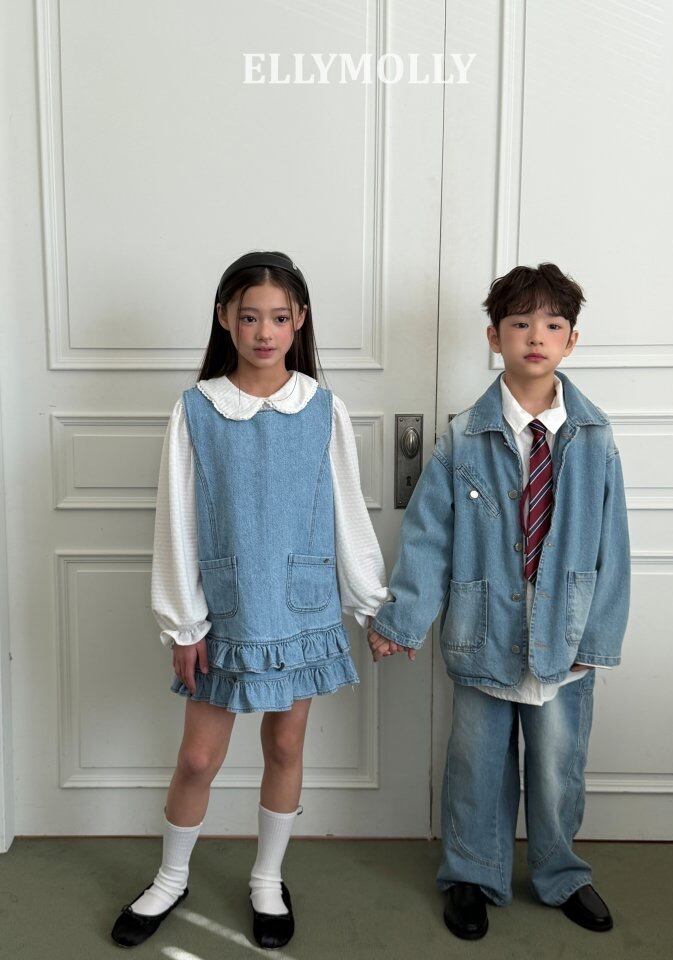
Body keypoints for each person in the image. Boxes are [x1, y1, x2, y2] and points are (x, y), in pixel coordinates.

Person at [110, 250, 390, 949]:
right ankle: (171, 877)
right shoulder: (197, 410)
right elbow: (176, 520)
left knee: (285, 744)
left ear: (300, 321)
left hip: (302, 608)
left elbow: (347, 511)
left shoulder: (323, 408)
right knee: (198, 759)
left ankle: (268, 878)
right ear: (224, 319)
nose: (265, 332)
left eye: (279, 318)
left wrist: (371, 605)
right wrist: (183, 623)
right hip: (227, 610)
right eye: (249, 317)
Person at [367, 263, 631, 939]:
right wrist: (403, 620)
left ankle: (561, 872)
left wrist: (598, 639)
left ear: (571, 340)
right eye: (520, 324)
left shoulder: (595, 438)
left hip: (564, 635)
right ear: (494, 336)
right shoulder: (463, 437)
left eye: (552, 325)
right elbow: (429, 536)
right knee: (476, 766)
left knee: (557, 768)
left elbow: (613, 546)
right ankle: (471, 875)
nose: (535, 337)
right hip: (484, 632)